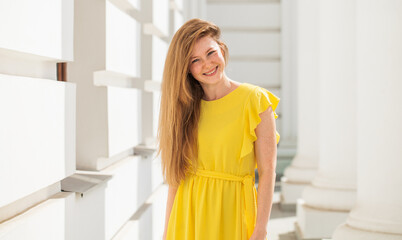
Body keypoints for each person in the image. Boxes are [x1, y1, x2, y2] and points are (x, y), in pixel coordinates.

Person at [157, 18, 280, 240]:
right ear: (186, 69)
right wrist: (167, 233)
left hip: (234, 214)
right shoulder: (184, 109)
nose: (207, 64)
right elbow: (176, 180)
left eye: (211, 53)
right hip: (188, 217)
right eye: (195, 60)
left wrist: (260, 229)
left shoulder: (255, 101)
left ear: (222, 50)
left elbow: (268, 172)